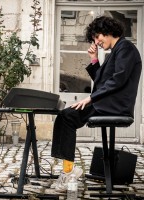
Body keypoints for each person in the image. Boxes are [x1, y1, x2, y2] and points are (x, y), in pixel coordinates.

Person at [51, 16, 142, 192]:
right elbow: (102, 83)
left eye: (97, 36)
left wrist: (91, 98)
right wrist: (94, 59)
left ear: (108, 31)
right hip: (107, 102)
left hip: (116, 105)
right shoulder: (114, 52)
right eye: (94, 39)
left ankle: (68, 171)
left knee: (68, 116)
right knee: (65, 116)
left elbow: (117, 80)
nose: (97, 41)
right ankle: (68, 169)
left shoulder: (126, 48)